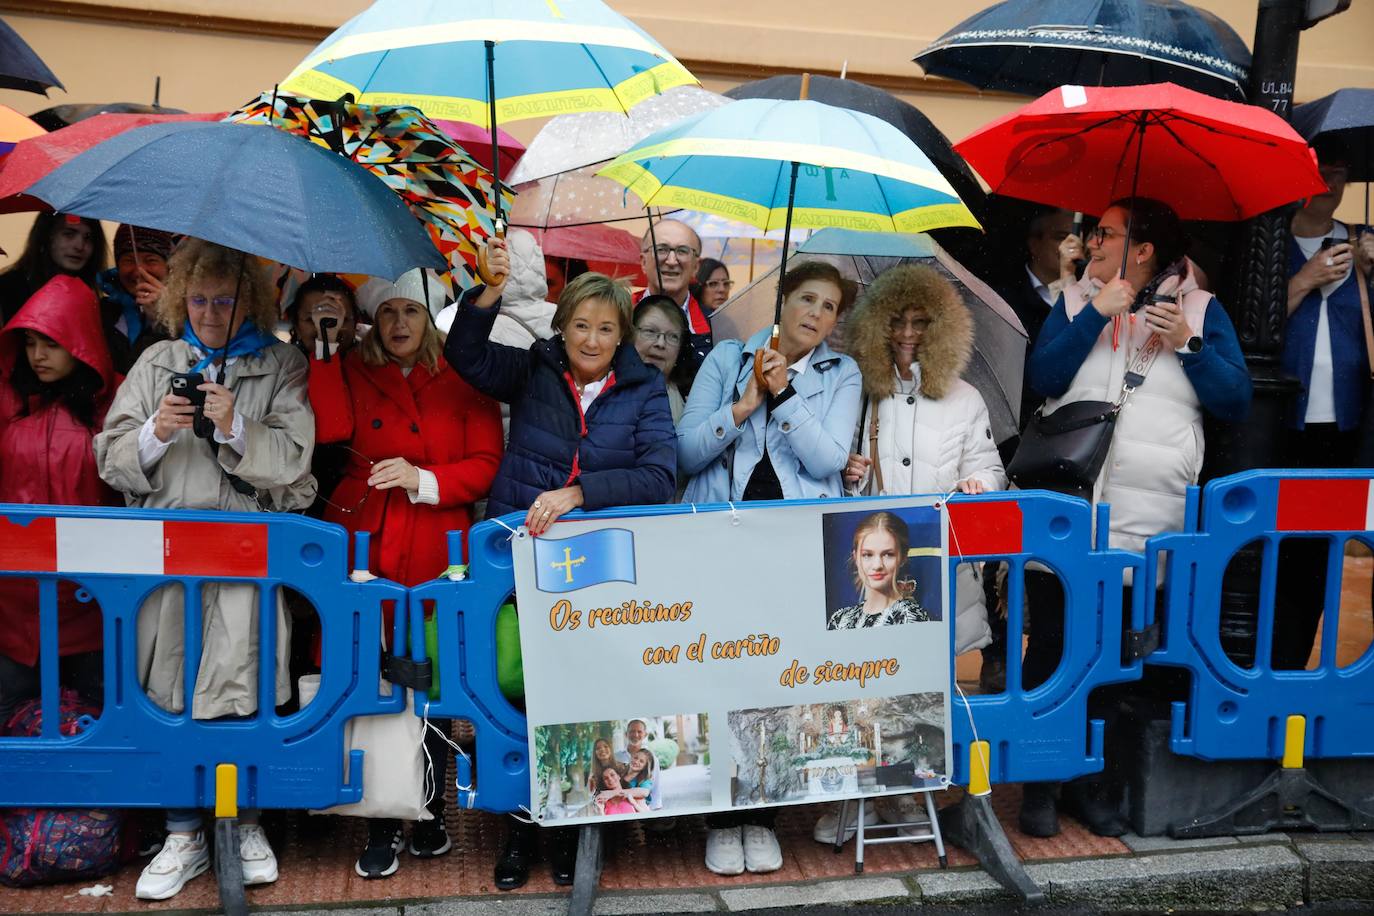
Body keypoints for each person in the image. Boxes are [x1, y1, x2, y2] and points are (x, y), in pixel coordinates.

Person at [446, 239, 676, 890]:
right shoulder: (534, 368)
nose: (592, 338)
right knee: (527, 692)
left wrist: (581, 493)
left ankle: (578, 827)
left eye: (606, 328)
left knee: (590, 694)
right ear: (562, 325)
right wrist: (487, 289)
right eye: (581, 325)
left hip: (602, 569)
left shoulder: (643, 388)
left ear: (622, 334)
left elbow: (659, 475)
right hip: (527, 561)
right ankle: (522, 826)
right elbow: (464, 354)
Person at [1021, 197, 1250, 839]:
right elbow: (1043, 376)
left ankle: (1092, 786)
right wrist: (1095, 311)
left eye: (1106, 233)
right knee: (1055, 652)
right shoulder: (1073, 301)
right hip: (1071, 514)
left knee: (1120, 661)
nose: (1092, 243)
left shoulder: (1201, 309)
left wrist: (1191, 345)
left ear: (1142, 248)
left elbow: (1235, 401)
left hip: (1152, 523)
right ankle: (1041, 783)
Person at [94, 238, 316, 901]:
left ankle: (245, 823)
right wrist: (157, 431)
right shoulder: (156, 361)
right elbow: (109, 456)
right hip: (169, 562)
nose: (212, 312)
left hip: (247, 560)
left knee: (239, 691)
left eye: (224, 300)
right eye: (199, 299)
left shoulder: (281, 364)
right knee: (169, 689)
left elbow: (296, 459)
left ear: (246, 298)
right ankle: (183, 832)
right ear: (178, 298)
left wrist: (235, 424)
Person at [309, 269, 503, 879]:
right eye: (388, 312)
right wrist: (321, 347)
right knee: (373, 676)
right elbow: (332, 429)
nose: (399, 325)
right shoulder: (352, 368)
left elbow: (486, 464)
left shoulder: (463, 377)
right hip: (366, 541)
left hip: (435, 544)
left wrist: (424, 480)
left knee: (432, 678)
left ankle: (431, 804)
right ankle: (382, 818)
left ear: (430, 318)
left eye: (411, 313)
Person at [677, 259, 860, 876]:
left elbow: (827, 459)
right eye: (806, 298)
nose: (815, 313)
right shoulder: (727, 359)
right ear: (782, 300)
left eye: (829, 306)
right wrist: (745, 402)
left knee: (783, 677)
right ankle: (722, 818)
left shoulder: (842, 372)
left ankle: (766, 813)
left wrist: (783, 397)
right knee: (724, 673)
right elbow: (685, 449)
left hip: (795, 546)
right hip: (720, 542)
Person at [841, 264, 1006, 650]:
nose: (908, 334)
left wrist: (979, 483)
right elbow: (835, 471)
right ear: (878, 325)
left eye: (921, 322)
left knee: (935, 691)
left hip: (941, 566)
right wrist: (848, 469)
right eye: (897, 321)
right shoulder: (858, 391)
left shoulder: (965, 397)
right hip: (877, 572)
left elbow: (989, 466)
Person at [0, 276, 120, 726]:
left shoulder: (116, 401)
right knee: (12, 731)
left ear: (81, 341)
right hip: (15, 607)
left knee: (95, 722)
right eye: (30, 342)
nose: (37, 356)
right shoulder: (9, 397)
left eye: (50, 342)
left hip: (92, 604)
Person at [1275, 137, 1374, 670]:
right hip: (1282, 425)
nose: (1333, 183)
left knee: (1318, 555)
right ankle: (1277, 663)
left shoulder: (1365, 243)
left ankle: (1299, 665)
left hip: (1346, 428)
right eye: (1322, 170)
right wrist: (1305, 279)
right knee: (1275, 549)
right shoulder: (1271, 243)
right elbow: (1258, 330)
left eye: (1341, 173)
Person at [638, 219, 713, 386]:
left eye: (682, 251)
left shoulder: (717, 328)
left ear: (696, 266)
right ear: (643, 262)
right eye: (662, 249)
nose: (672, 261)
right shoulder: (619, 315)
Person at [826, 512, 929, 629]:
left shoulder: (909, 617)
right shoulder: (840, 619)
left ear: (903, 557)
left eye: (888, 554)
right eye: (867, 555)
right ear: (856, 557)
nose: (877, 565)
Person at [0, 212, 108, 324]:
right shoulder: (8, 289)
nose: (79, 246)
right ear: (47, 236)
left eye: (88, 238)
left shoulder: (93, 298)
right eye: (69, 234)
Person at [97, 224, 176, 374]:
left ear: (168, 266)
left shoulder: (191, 311)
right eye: (129, 260)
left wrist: (164, 321)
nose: (139, 271)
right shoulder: (104, 313)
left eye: (151, 260)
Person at [633, 294, 690, 424]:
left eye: (672, 337)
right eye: (650, 331)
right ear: (630, 335)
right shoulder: (607, 385)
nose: (661, 343)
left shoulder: (691, 401)